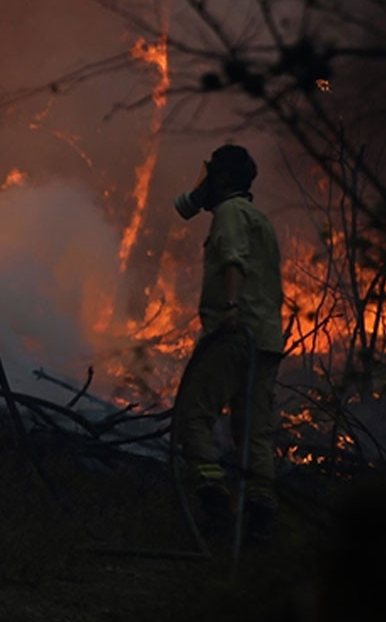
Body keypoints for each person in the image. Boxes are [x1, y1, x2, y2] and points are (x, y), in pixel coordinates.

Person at [171, 143, 286, 540]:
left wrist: (231, 308)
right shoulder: (260, 218)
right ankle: (259, 518)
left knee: (192, 415)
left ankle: (215, 504)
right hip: (267, 339)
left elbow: (233, 259)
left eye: (210, 177)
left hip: (235, 333)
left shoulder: (230, 212)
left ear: (221, 179)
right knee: (253, 431)